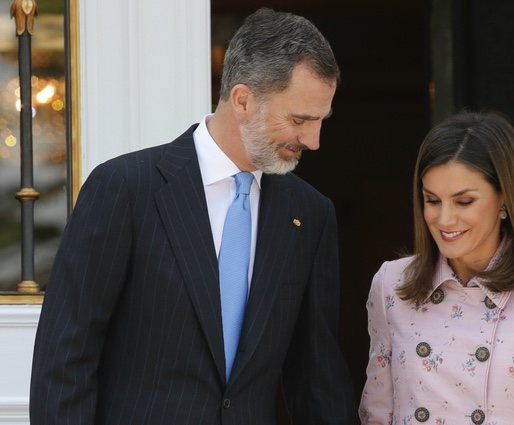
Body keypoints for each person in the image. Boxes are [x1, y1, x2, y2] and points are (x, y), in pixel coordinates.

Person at [30, 8, 356, 425]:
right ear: (242, 100)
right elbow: (65, 360)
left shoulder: (310, 214)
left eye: (320, 121)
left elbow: (316, 378)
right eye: (300, 120)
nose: (313, 140)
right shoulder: (124, 189)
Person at [359, 111, 514, 424]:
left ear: (504, 200)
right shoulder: (391, 285)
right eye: (432, 200)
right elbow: (376, 414)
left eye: (463, 201)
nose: (445, 219)